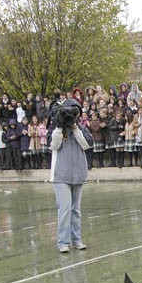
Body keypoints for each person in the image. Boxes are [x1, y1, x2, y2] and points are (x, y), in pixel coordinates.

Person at [49, 99, 90, 253]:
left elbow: (87, 144)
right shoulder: (55, 128)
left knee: (75, 210)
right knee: (64, 209)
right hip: (61, 174)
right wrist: (59, 127)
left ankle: (77, 240)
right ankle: (63, 241)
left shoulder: (81, 128)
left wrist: (75, 128)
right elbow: (54, 145)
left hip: (78, 174)